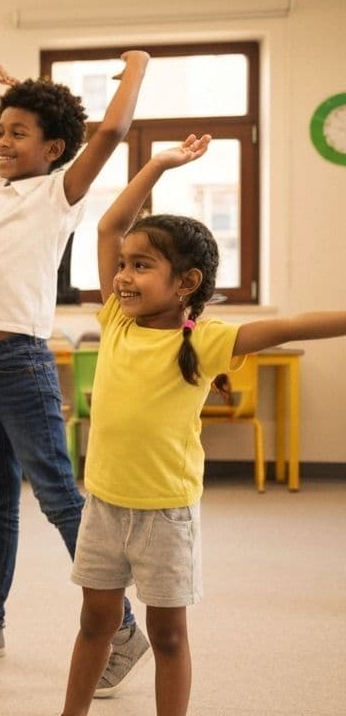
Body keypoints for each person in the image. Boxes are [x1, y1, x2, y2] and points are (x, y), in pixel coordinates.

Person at [61, 134, 346, 715]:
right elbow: (108, 226)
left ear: (185, 283)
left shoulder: (209, 339)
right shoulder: (116, 319)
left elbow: (290, 326)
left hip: (166, 512)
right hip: (104, 504)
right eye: (122, 266)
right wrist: (158, 166)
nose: (122, 276)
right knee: (96, 624)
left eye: (142, 266)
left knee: (168, 636)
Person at [0, 53, 152, 688]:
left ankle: (125, 629)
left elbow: (110, 133)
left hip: (21, 362)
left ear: (54, 150)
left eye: (19, 134)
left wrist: (137, 65)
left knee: (57, 497)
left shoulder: (58, 194)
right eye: (2, 130)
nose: (3, 142)